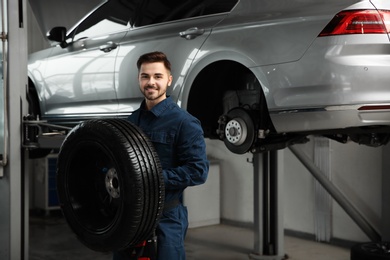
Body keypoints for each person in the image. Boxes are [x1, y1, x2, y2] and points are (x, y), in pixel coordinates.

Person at [114, 51, 209, 259]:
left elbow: (198, 171)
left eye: (157, 76)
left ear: (169, 80)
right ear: (139, 79)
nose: (151, 82)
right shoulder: (130, 122)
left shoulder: (185, 123)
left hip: (165, 219)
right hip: (130, 218)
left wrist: (151, 179)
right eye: (145, 76)